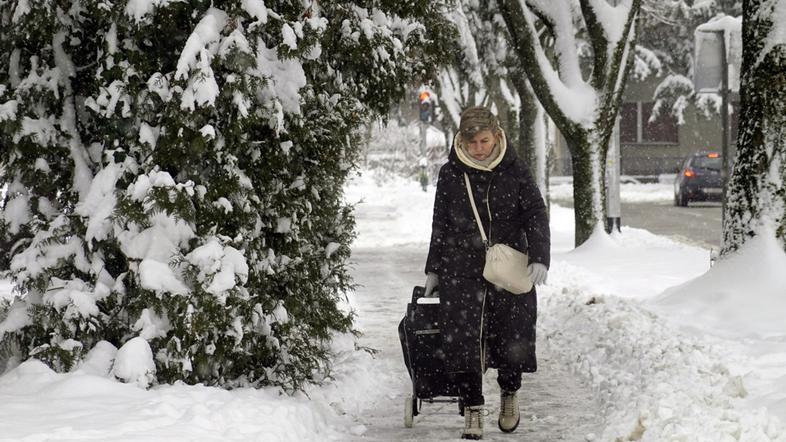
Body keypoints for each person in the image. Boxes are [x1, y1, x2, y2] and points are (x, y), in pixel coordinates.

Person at [423, 106, 550, 440]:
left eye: (484, 140)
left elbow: (535, 213)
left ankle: (509, 392)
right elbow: (440, 224)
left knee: (513, 334)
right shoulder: (451, 174)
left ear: (496, 135)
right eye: (473, 142)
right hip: (459, 267)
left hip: (508, 264)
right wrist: (434, 270)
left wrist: (539, 257)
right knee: (461, 338)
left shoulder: (516, 170)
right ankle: (473, 408)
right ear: (462, 141)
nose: (479, 148)